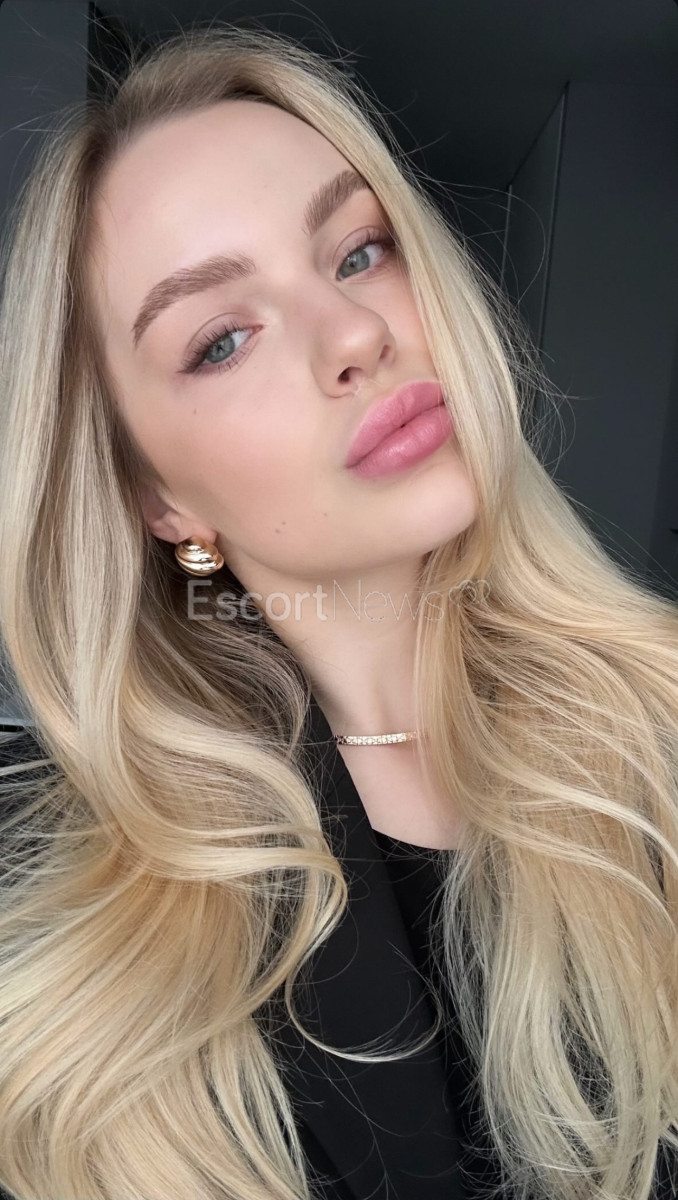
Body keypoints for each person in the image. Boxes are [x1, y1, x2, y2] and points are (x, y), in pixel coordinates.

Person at [0, 23, 676, 1200]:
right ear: (158, 498)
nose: (357, 334)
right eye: (221, 339)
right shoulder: (63, 921)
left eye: (359, 251)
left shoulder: (659, 739)